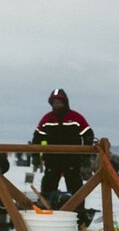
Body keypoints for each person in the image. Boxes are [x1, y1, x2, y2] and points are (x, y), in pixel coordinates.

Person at [31, 88, 95, 220]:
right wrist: (35, 156)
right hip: (52, 160)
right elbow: (36, 138)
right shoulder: (47, 119)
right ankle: (46, 212)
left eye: (59, 102)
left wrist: (86, 156)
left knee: (76, 188)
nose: (57, 105)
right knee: (48, 187)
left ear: (65, 102)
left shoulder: (76, 118)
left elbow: (88, 135)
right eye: (54, 102)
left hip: (72, 159)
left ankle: (79, 214)